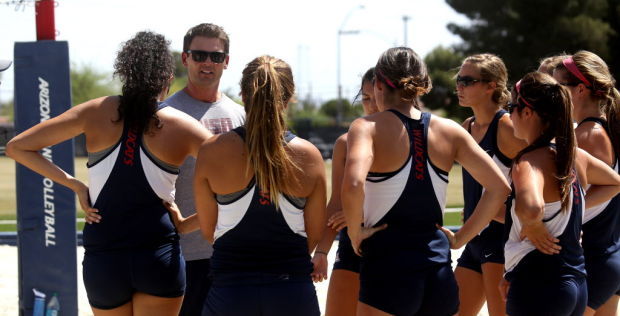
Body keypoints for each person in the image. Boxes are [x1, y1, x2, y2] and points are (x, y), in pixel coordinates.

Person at [6, 31, 211, 315]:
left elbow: (17, 147)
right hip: (157, 253)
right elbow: (242, 178)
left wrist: (75, 185)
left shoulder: (95, 111)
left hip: (104, 257)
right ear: (166, 79)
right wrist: (189, 224)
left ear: (125, 73)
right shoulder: (182, 125)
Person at [341, 47, 511, 316]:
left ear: (378, 85)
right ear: (421, 84)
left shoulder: (366, 127)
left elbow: (352, 185)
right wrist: (460, 238)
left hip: (388, 266)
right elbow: (500, 188)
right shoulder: (450, 130)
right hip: (437, 267)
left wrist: (354, 232)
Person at [169, 55, 326, 316]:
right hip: (292, 291)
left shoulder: (213, 151)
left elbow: (210, 232)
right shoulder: (309, 155)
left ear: (243, 94)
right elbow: (313, 233)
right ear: (290, 97)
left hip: (231, 292)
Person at [501, 71, 620, 316]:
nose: (508, 114)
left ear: (527, 112)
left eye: (511, 107)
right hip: (575, 281)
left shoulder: (529, 161)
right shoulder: (575, 155)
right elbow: (615, 183)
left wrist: (533, 225)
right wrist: (572, 210)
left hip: (540, 283)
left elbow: (531, 207)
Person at [161, 22, 245, 316]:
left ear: (227, 62)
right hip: (185, 253)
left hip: (235, 252)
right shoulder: (165, 114)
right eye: (199, 55)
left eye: (216, 56)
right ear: (185, 59)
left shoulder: (241, 115)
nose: (208, 63)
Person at [454, 53, 527, 316]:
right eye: (458, 80)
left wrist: (512, 213)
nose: (459, 86)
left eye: (467, 81)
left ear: (491, 85)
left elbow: (544, 169)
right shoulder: (467, 127)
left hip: (501, 239)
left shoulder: (506, 126)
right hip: (475, 238)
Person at [553, 51, 620, 316]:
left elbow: (610, 187)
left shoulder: (587, 135)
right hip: (606, 254)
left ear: (579, 89)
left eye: (558, 86)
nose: (553, 94)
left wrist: (565, 218)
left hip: (592, 258)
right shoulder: (606, 128)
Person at [310, 67, 379, 316]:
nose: (371, 105)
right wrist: (321, 252)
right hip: (352, 245)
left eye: (376, 97)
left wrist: (357, 215)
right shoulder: (345, 142)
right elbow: (335, 204)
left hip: (391, 246)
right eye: (366, 98)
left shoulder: (408, 139)